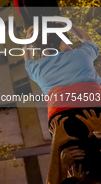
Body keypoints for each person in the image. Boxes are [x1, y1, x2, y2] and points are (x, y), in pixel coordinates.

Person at [24, 21, 101, 180]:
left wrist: (69, 26)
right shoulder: (38, 69)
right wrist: (28, 38)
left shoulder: (81, 57)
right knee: (74, 162)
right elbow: (28, 57)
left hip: (91, 110)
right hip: (64, 120)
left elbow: (86, 41)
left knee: (80, 165)